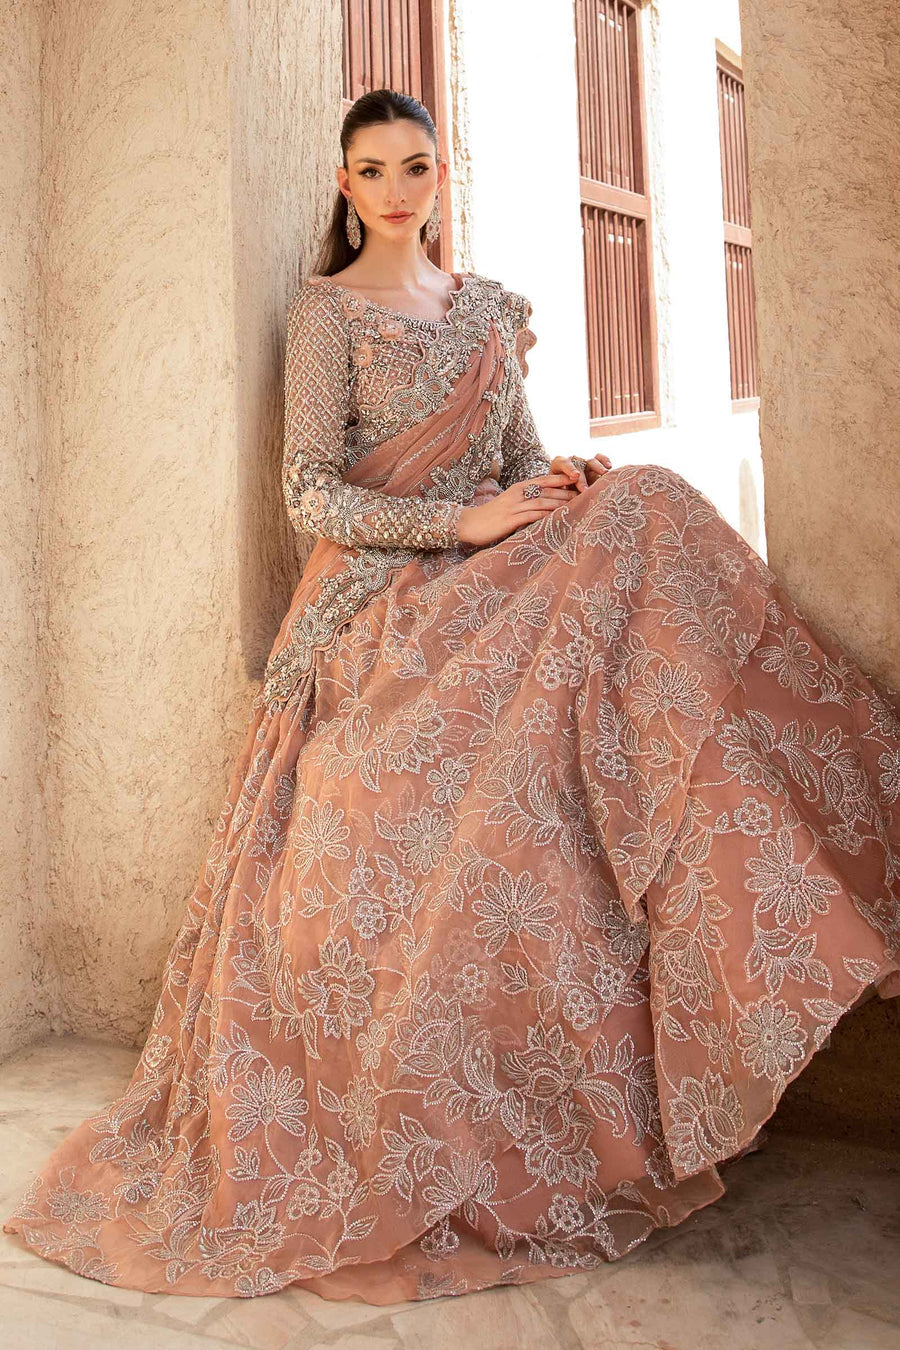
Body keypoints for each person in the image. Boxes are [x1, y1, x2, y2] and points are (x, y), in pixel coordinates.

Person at [5, 88, 899, 1307]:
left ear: (441, 174)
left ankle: (842, 821)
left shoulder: (485, 309)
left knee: (641, 502)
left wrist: (554, 481)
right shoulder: (329, 317)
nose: (396, 190)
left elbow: (519, 460)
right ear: (345, 185)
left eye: (416, 166)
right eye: (373, 170)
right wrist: (457, 524)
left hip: (487, 579)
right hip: (379, 599)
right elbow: (312, 493)